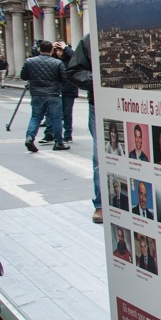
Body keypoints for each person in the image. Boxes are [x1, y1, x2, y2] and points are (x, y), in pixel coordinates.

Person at [66, 34, 100, 223]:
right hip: (100, 104)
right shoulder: (90, 38)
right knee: (100, 156)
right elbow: (74, 71)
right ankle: (101, 204)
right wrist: (102, 81)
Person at [20, 40, 68, 152]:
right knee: (56, 118)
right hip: (53, 94)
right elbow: (64, 79)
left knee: (36, 117)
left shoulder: (29, 62)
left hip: (36, 94)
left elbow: (23, 76)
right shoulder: (57, 63)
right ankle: (58, 142)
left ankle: (30, 137)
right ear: (51, 50)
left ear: (39, 49)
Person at [39, 41, 76, 144]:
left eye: (60, 50)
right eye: (56, 50)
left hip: (68, 89)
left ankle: (68, 135)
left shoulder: (70, 59)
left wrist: (66, 48)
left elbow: (76, 57)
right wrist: (50, 48)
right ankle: (49, 134)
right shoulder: (53, 60)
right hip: (55, 89)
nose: (58, 52)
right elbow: (42, 61)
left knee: (67, 113)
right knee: (51, 113)